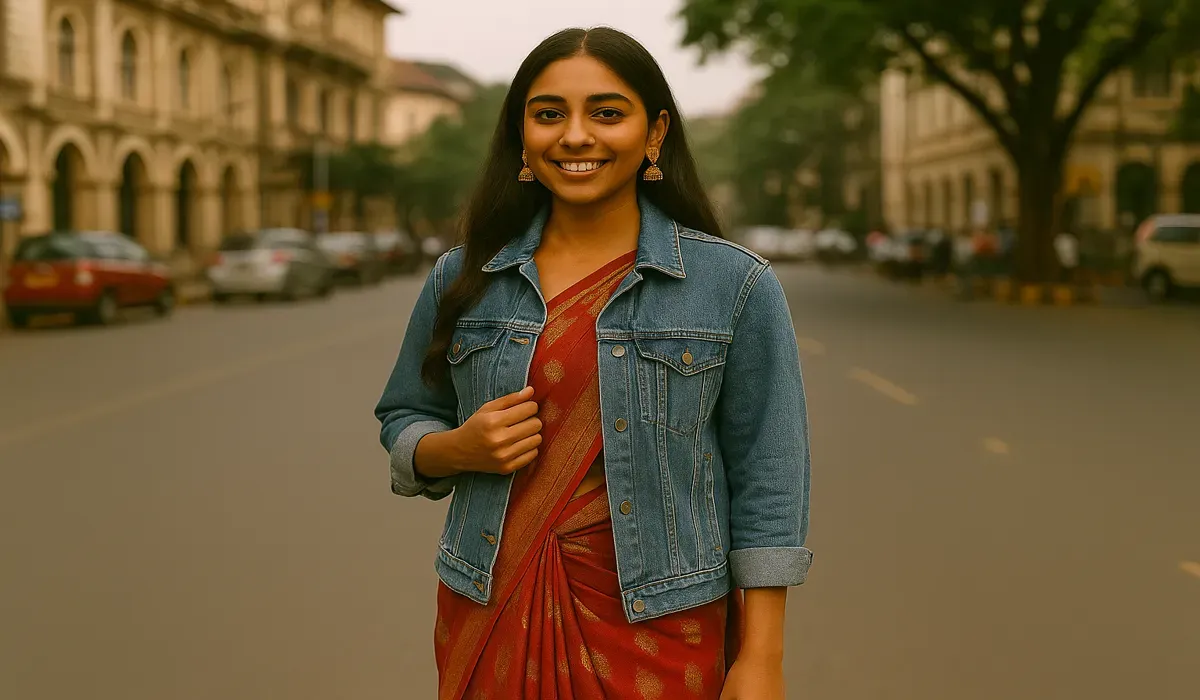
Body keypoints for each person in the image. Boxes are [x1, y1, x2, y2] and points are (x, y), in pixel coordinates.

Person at [375, 27, 811, 700]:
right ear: (522, 136)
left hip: (665, 626)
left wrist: (763, 659)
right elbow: (406, 414)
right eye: (549, 114)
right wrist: (454, 448)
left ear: (655, 132)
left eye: (607, 113)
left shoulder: (733, 285)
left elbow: (769, 476)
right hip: (491, 607)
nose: (575, 136)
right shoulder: (464, 278)